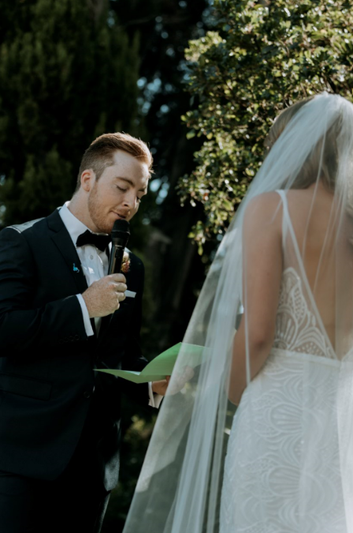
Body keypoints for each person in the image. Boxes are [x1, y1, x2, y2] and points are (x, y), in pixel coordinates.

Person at [121, 92, 353, 533]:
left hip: (278, 413)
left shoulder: (275, 208)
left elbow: (260, 333)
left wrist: (229, 385)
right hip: (340, 429)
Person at [0, 132, 169, 533]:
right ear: (88, 179)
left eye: (141, 193)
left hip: (93, 469)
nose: (132, 202)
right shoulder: (20, 241)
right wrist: (83, 307)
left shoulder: (133, 266)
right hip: (20, 460)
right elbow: (4, 329)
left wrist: (152, 382)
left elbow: (122, 354)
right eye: (123, 187)